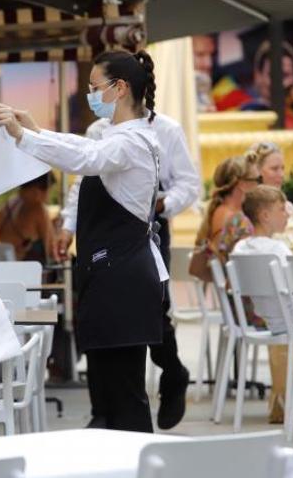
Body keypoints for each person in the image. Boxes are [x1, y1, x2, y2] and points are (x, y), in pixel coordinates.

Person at [0, 49, 165, 433]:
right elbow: (85, 149)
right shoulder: (117, 137)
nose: (89, 94)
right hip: (107, 275)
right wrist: (35, 131)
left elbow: (87, 157)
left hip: (124, 280)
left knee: (125, 399)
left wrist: (25, 137)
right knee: (104, 400)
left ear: (119, 89)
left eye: (94, 87)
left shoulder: (133, 141)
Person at [65, 111, 200, 430]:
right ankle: (102, 408)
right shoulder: (97, 130)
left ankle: (172, 373)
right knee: (100, 314)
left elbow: (188, 184)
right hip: (101, 233)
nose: (93, 95)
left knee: (151, 312)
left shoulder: (164, 130)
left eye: (98, 86)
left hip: (145, 228)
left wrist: (161, 204)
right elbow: (81, 177)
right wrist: (68, 224)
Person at [231, 185, 293, 335]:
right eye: (282, 209)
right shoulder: (277, 249)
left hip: (267, 320)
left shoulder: (240, 248)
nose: (287, 215)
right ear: (265, 216)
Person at [195, 153, 261, 265]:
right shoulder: (238, 220)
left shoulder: (217, 211)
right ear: (242, 184)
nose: (259, 185)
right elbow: (250, 263)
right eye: (257, 179)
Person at [248, 141, 293, 252]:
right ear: (257, 171)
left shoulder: (288, 206)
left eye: (282, 168)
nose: (281, 174)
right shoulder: (248, 210)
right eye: (274, 169)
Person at [0, 172, 56, 263]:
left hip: (7, 267)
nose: (48, 197)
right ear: (39, 190)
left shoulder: (5, 208)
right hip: (30, 273)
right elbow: (51, 250)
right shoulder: (38, 210)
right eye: (49, 190)